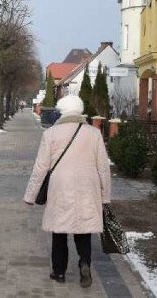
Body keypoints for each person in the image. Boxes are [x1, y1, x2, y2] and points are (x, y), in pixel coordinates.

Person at [23, 95, 111, 287]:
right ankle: (84, 263)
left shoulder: (51, 133)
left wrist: (30, 195)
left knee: (59, 231)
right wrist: (105, 196)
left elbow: (41, 167)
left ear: (61, 111)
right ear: (80, 110)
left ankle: (59, 272)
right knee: (83, 229)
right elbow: (103, 167)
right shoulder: (93, 133)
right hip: (88, 185)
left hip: (60, 186)